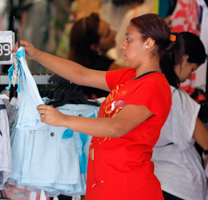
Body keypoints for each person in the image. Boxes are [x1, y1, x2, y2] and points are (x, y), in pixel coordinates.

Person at [14, 13, 184, 199]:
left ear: (149, 43)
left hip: (128, 188)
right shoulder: (128, 77)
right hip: (104, 184)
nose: (122, 45)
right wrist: (37, 54)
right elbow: (81, 74)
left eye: (128, 39)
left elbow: (116, 126)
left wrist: (63, 119)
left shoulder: (154, 86)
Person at [152, 32, 208, 200]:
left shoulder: (145, 86)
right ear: (184, 59)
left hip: (153, 180)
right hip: (180, 184)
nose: (188, 77)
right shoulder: (177, 98)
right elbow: (206, 141)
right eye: (192, 69)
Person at [67, 12, 124, 99]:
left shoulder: (76, 66)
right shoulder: (107, 69)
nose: (114, 32)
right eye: (108, 34)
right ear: (95, 47)